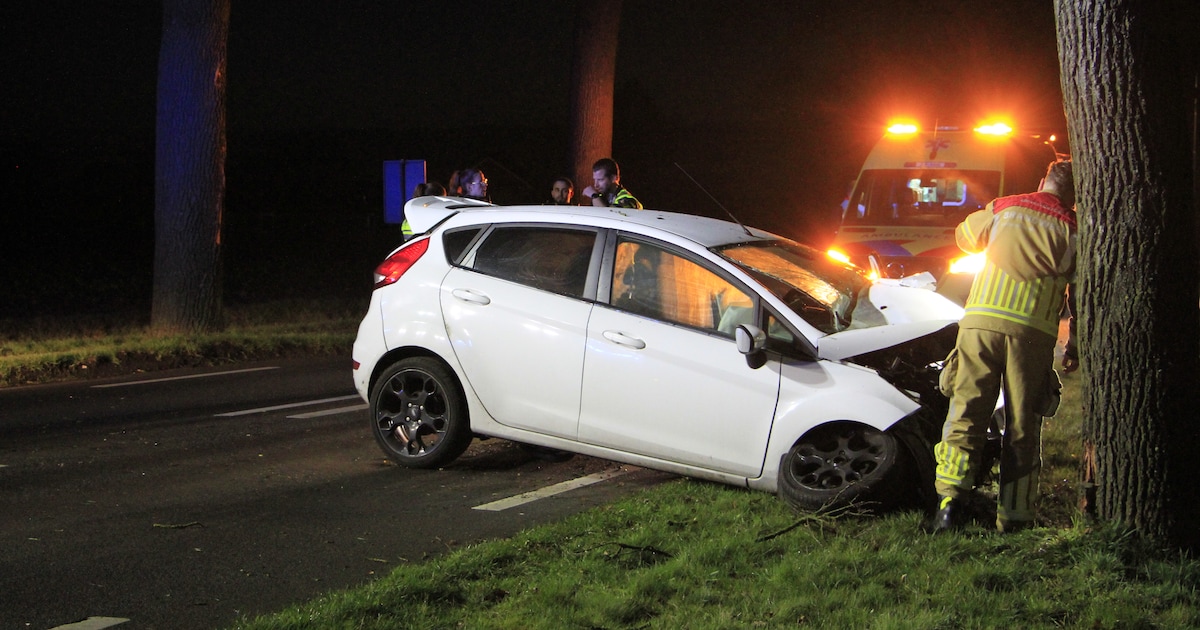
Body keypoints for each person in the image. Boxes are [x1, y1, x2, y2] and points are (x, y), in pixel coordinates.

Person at [930, 160, 1076, 534]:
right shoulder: (1074, 229)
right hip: (1032, 334)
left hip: (979, 327)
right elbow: (1080, 290)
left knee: (965, 413)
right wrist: (1073, 339)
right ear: (1076, 194)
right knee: (1023, 427)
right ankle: (1014, 517)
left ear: (1043, 180)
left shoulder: (1005, 207)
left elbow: (964, 237)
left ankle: (949, 504)